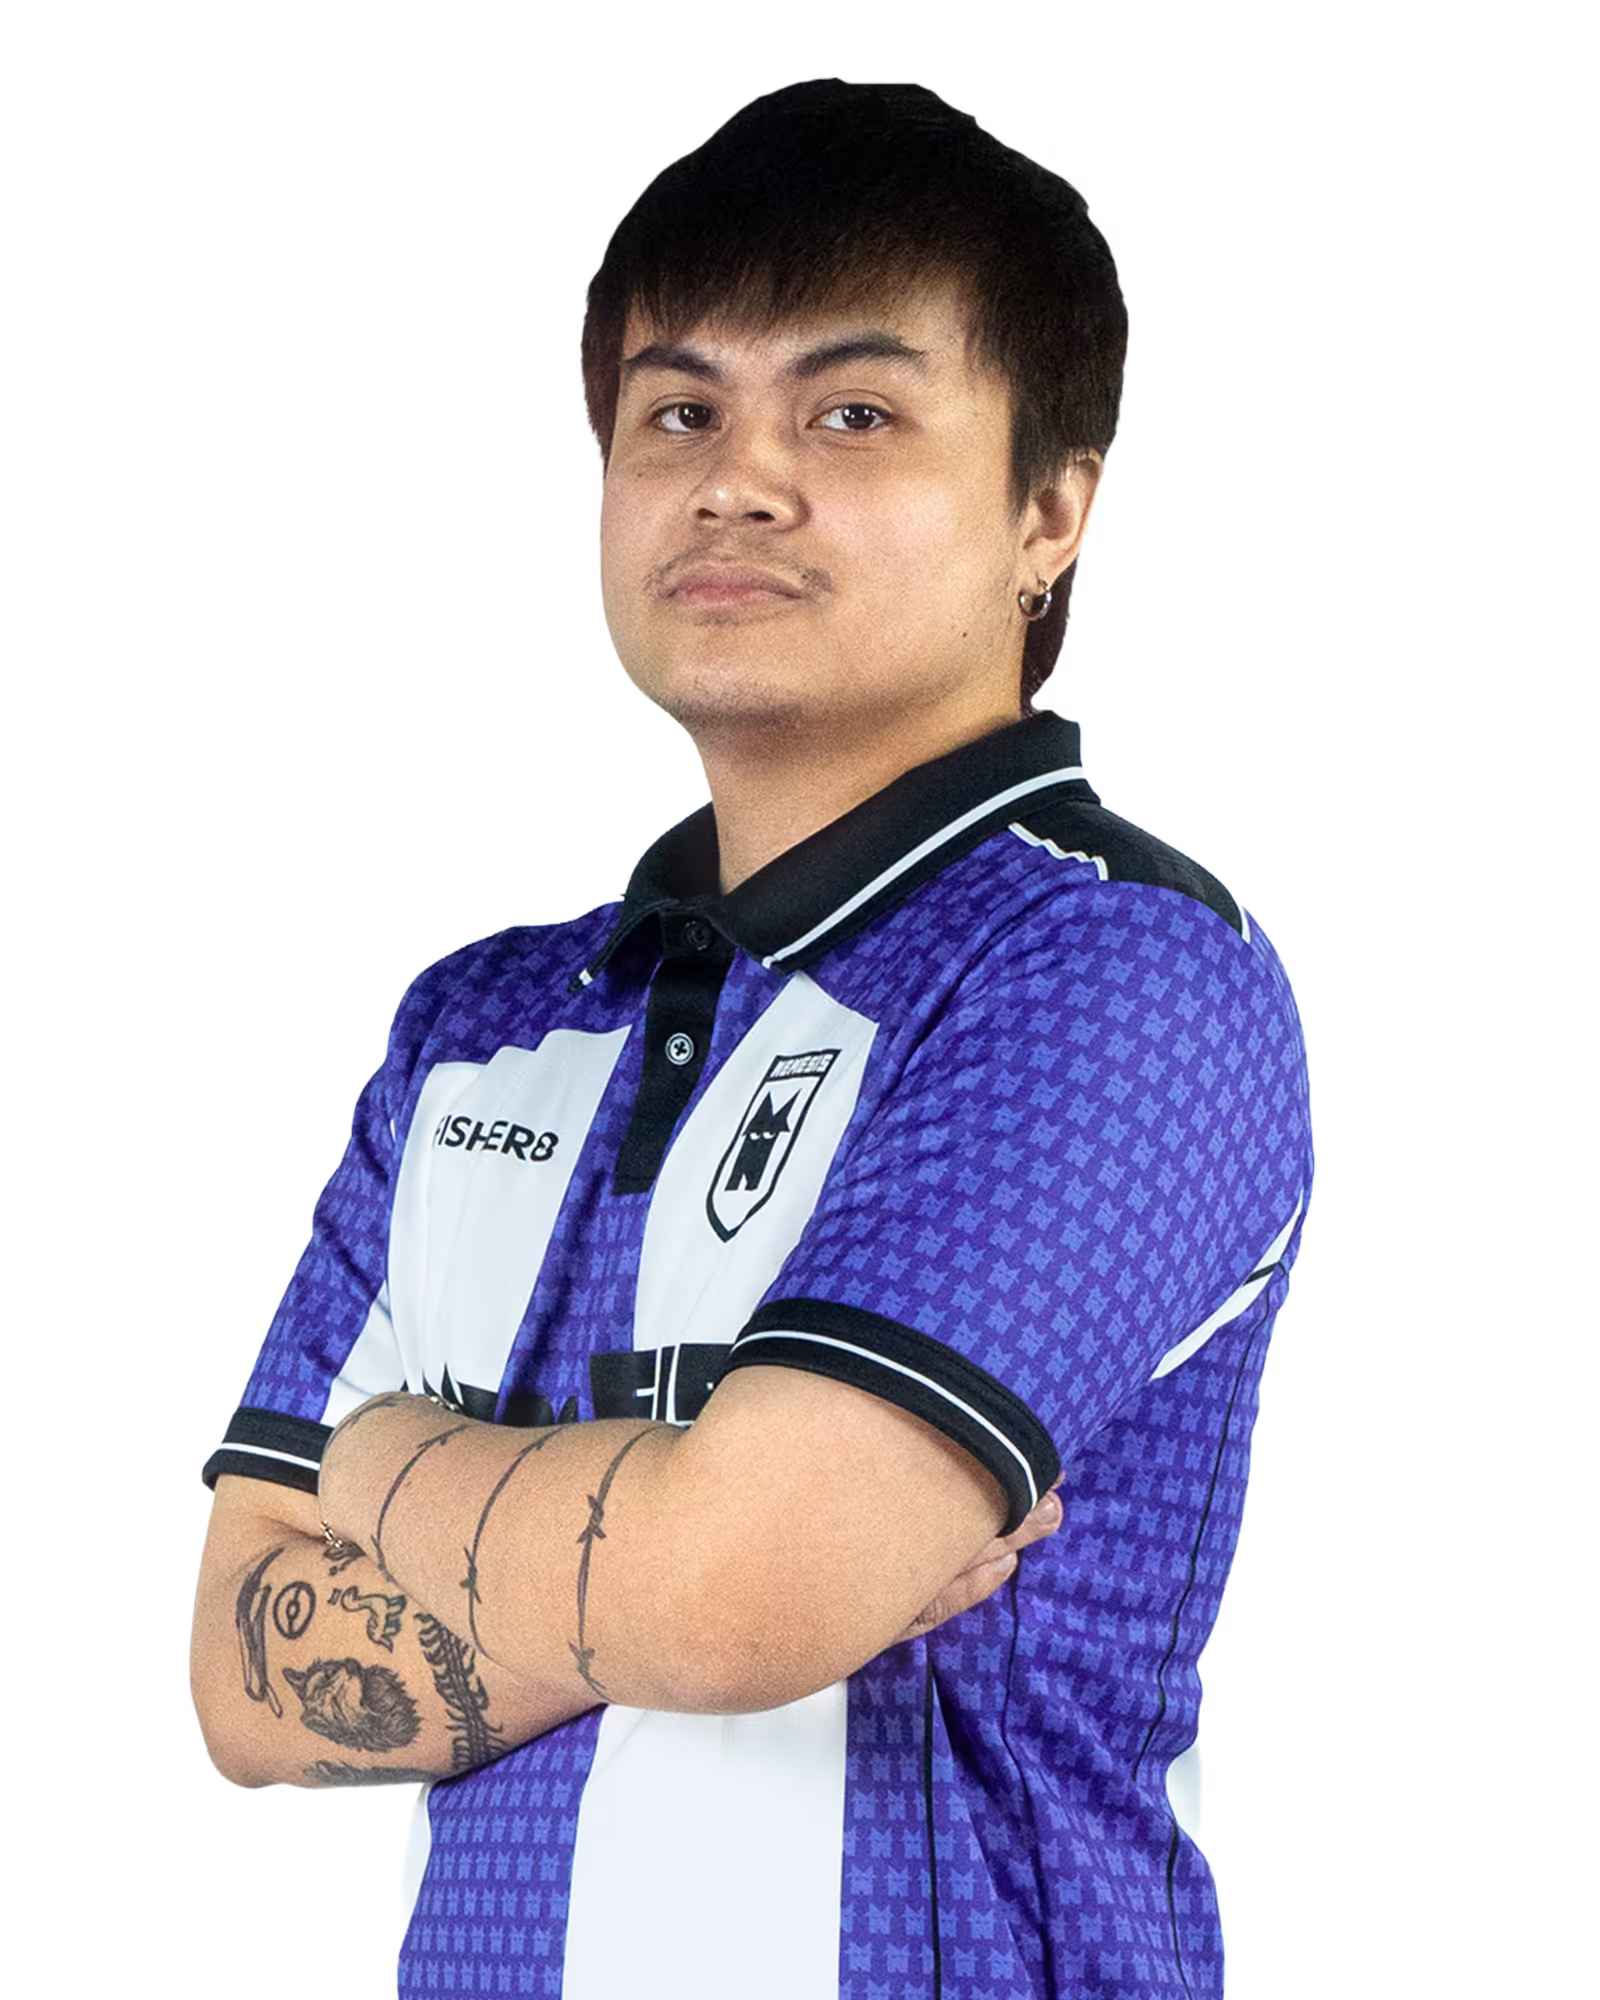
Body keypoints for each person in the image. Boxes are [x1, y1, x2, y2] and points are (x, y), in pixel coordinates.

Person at [189, 76, 1315, 1999]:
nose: (738, 480)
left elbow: (732, 1601)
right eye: (678, 412)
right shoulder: (471, 1024)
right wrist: (670, 1567)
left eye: (853, 412)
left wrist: (373, 1470)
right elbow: (242, 1684)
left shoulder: (1116, 972)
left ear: (1052, 511)